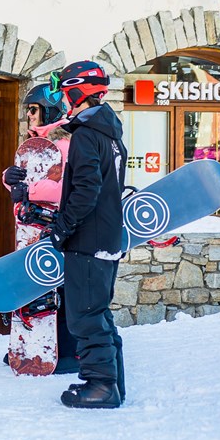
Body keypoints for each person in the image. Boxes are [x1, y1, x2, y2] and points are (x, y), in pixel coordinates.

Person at [47, 60, 128, 409]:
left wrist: (62, 225)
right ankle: (113, 382)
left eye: (65, 94)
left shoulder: (85, 136)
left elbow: (86, 190)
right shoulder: (110, 134)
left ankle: (101, 386)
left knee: (85, 315)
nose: (64, 102)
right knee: (99, 312)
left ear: (77, 91)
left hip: (88, 240)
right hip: (107, 237)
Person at [2, 78, 79, 375]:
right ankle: (30, 348)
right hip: (31, 227)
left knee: (59, 287)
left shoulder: (66, 146)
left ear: (50, 110)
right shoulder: (34, 147)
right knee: (34, 286)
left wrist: (29, 191)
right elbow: (23, 182)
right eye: (28, 111)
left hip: (59, 228)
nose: (29, 116)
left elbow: (69, 187)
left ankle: (67, 353)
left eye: (33, 110)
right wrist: (9, 180)